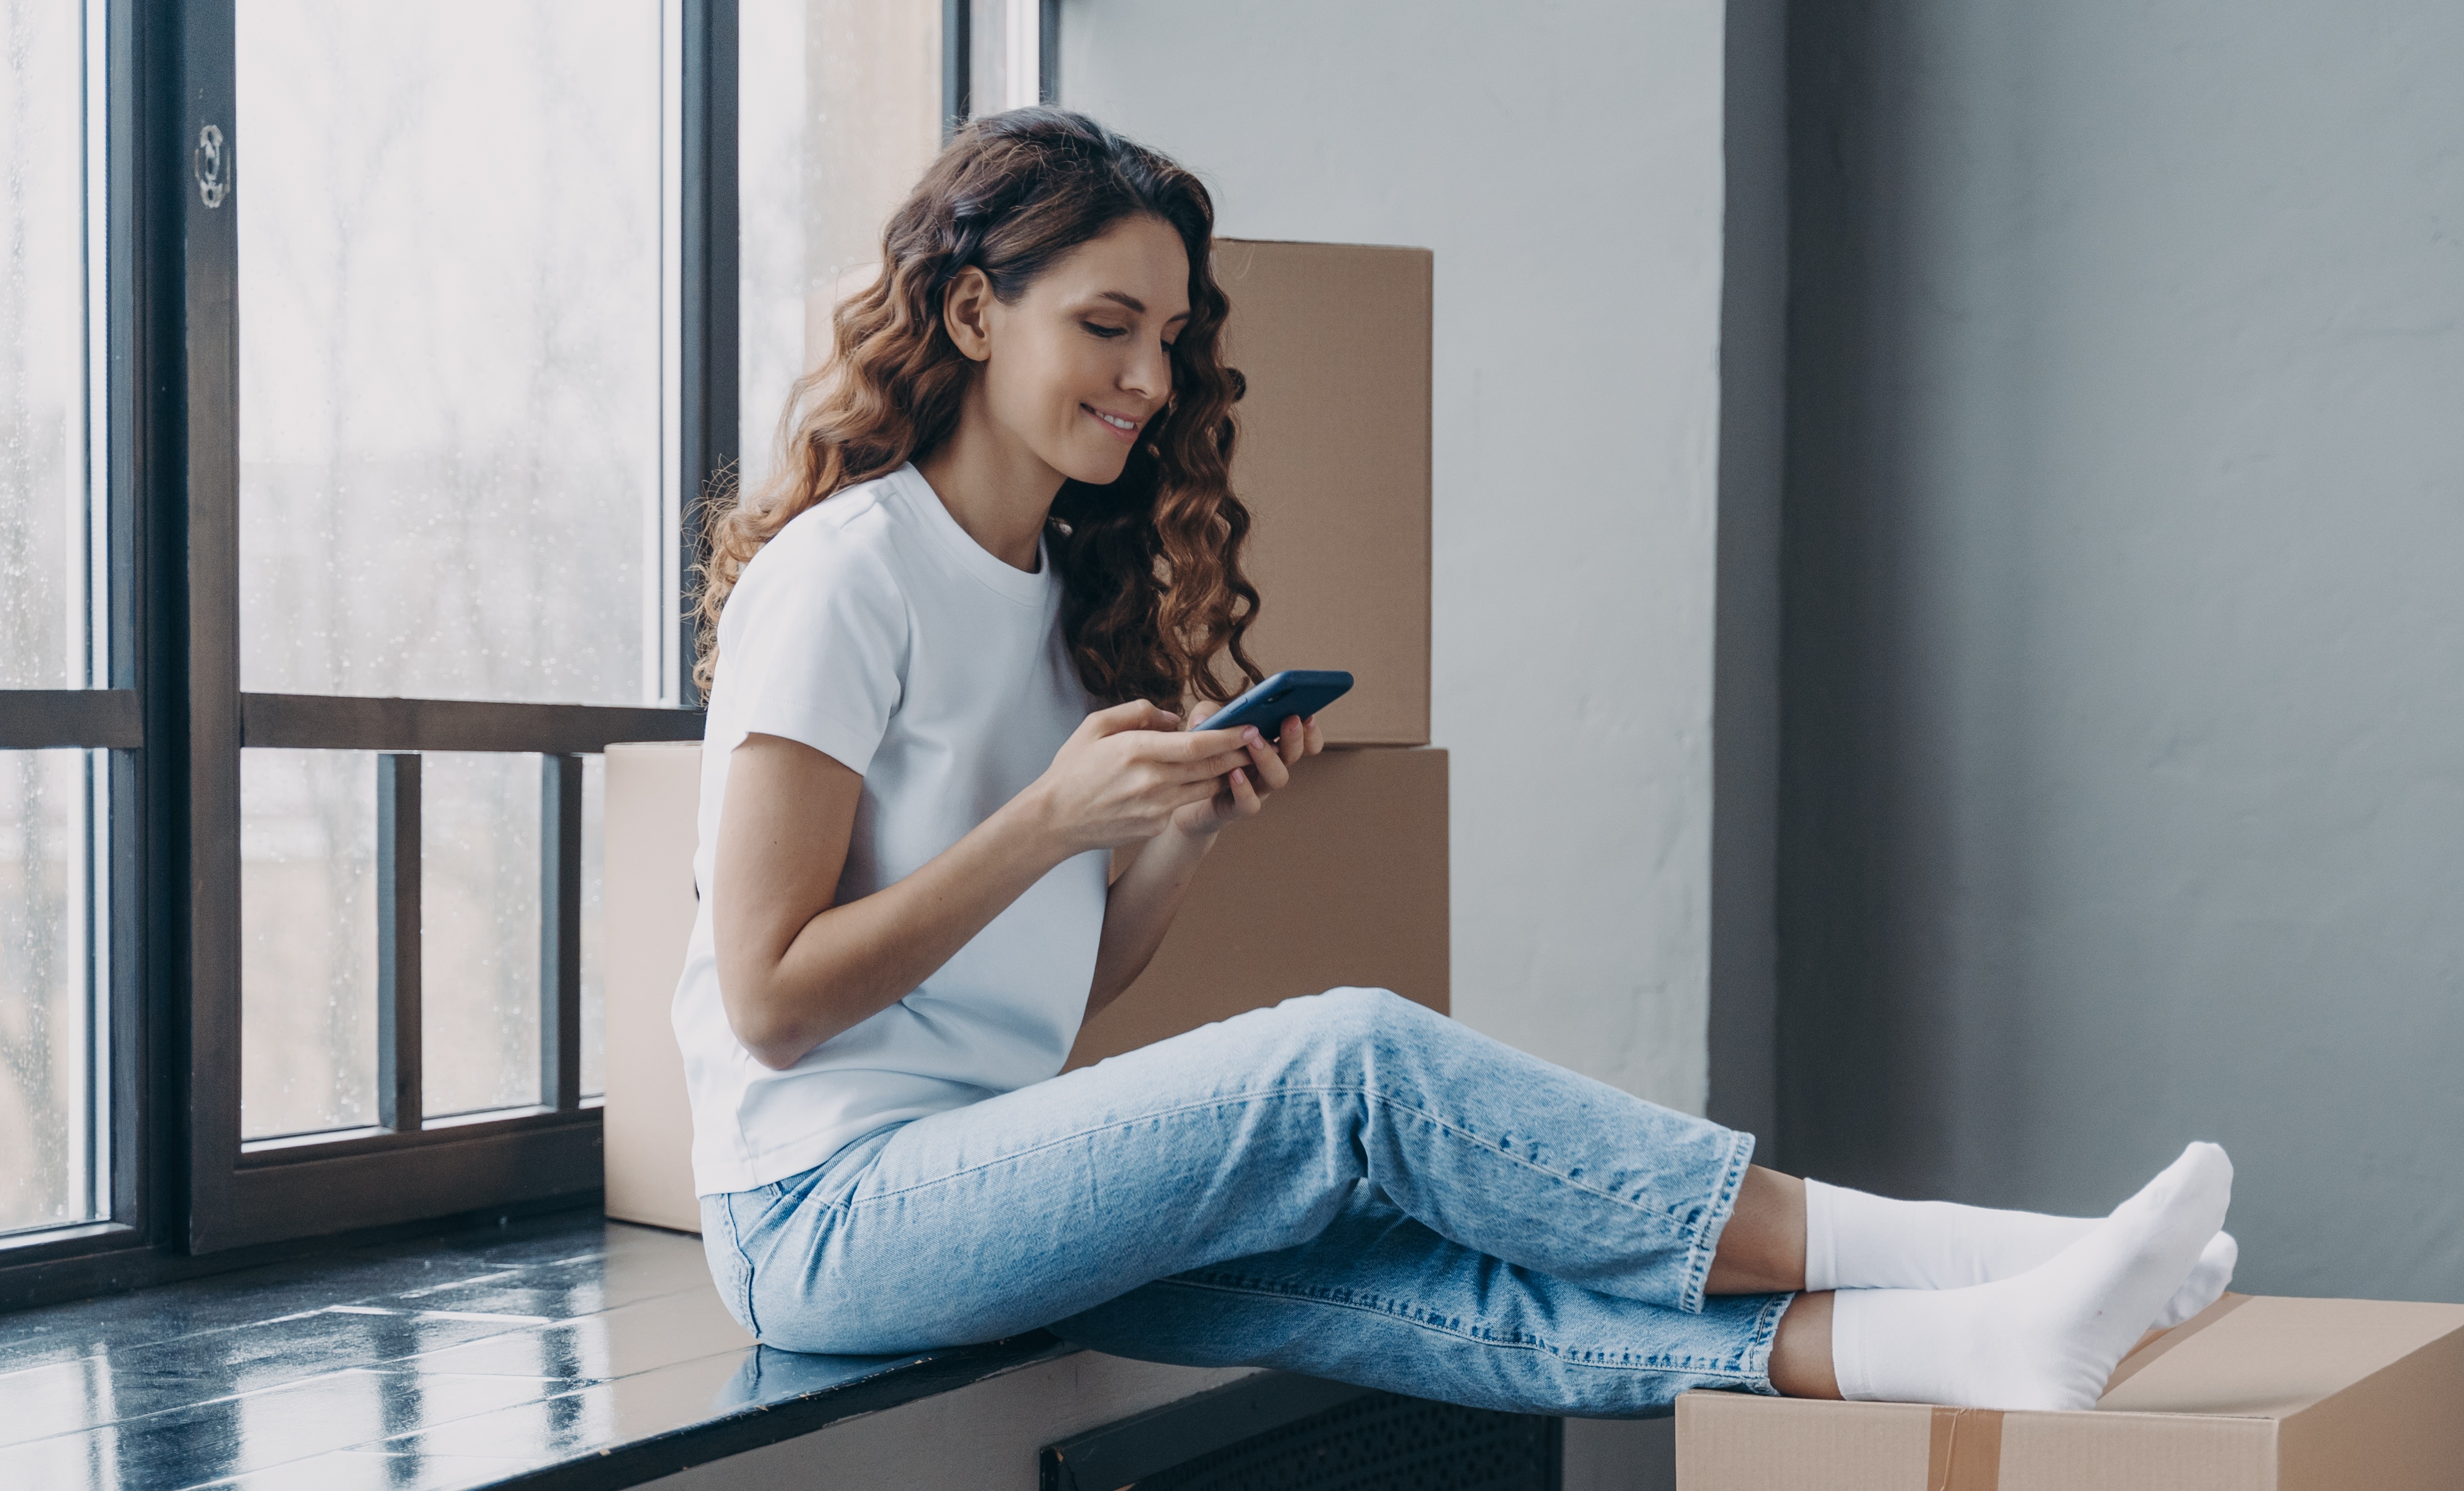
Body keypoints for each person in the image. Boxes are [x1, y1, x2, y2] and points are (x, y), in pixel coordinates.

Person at [679, 108, 2236, 1417]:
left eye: (1167, 339)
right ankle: (1982, 1252)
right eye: (1104, 328)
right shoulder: (844, 576)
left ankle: (1970, 1341)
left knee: (1395, 1261)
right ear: (969, 317)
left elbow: (1053, 997)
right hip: (822, 1223)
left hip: (968, 1179)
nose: (1149, 381)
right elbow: (770, 998)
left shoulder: (1050, 602)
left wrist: (1173, 833)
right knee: (1350, 1066)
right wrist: (1042, 822)